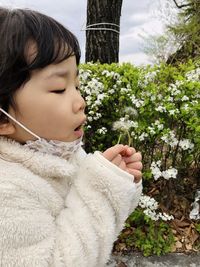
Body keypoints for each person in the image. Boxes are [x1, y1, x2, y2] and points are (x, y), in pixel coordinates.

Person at [0, 7, 143, 267]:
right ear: (3, 118)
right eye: (58, 88)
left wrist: (118, 184)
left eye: (76, 85)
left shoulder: (59, 152)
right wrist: (101, 189)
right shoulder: (6, 193)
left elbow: (98, 231)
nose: (80, 101)